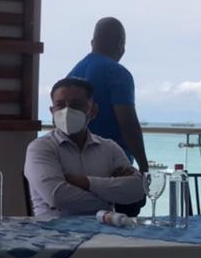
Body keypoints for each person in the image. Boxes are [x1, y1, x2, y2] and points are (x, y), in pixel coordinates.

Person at [24, 76, 145, 218]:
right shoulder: (40, 148)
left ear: (93, 110)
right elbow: (57, 196)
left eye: (76, 105)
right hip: (53, 229)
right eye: (60, 105)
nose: (67, 111)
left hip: (103, 228)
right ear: (52, 111)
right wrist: (109, 198)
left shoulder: (109, 148)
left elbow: (137, 190)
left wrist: (85, 182)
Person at [68, 17, 149, 169]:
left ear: (92, 42)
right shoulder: (117, 73)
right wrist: (144, 167)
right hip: (112, 165)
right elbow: (128, 124)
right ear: (121, 46)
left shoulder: (71, 74)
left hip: (74, 162)